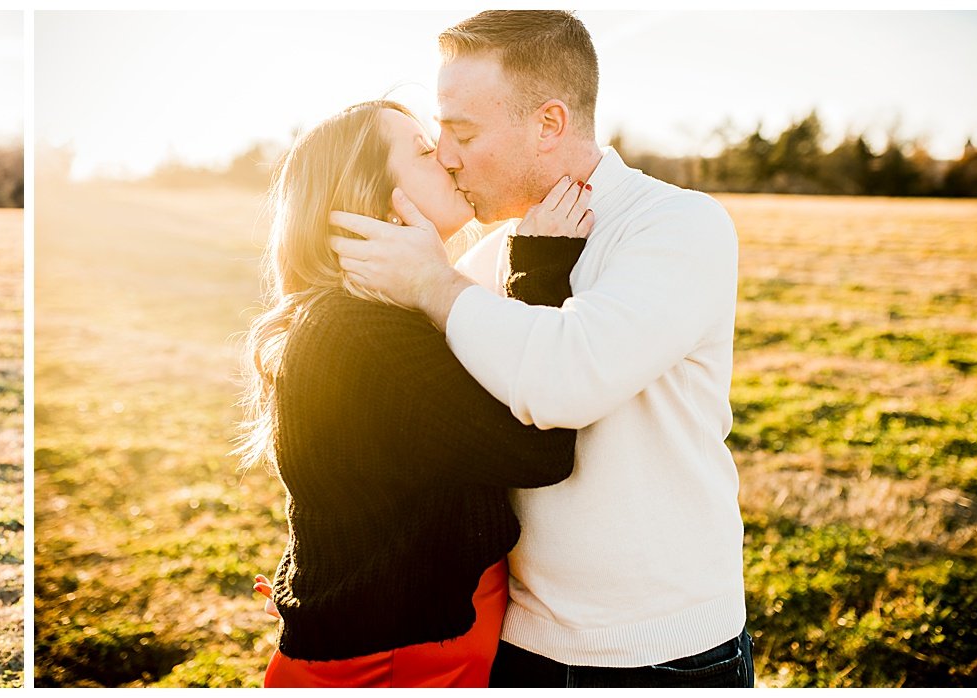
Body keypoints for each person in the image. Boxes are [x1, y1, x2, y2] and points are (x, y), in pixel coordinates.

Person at [330, 11, 752, 688]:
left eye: (462, 131)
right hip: (515, 643)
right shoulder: (491, 257)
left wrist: (433, 284)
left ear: (549, 124)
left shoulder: (676, 225)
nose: (445, 154)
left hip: (659, 653)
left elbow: (565, 382)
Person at [238, 100, 595, 688]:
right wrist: (541, 272)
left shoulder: (353, 315)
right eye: (427, 152)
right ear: (373, 195)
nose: (451, 159)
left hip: (395, 640)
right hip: (397, 658)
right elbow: (537, 451)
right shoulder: (365, 333)